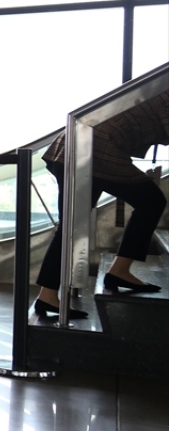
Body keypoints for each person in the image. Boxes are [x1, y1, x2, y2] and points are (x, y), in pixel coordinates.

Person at [33, 90, 169, 318]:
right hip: (95, 149)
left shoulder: (159, 88)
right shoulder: (164, 91)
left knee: (71, 226)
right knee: (151, 201)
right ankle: (119, 271)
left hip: (77, 144)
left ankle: (47, 295)